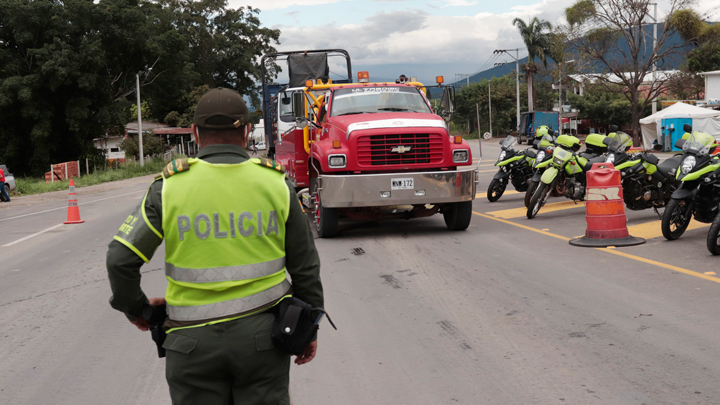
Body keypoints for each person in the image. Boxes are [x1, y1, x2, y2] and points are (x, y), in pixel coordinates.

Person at [106, 87, 324, 405]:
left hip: (190, 345)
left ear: (195, 133)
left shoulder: (168, 189)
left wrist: (138, 310)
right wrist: (309, 328)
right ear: (248, 132)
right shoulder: (275, 183)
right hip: (262, 344)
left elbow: (119, 260)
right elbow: (306, 267)